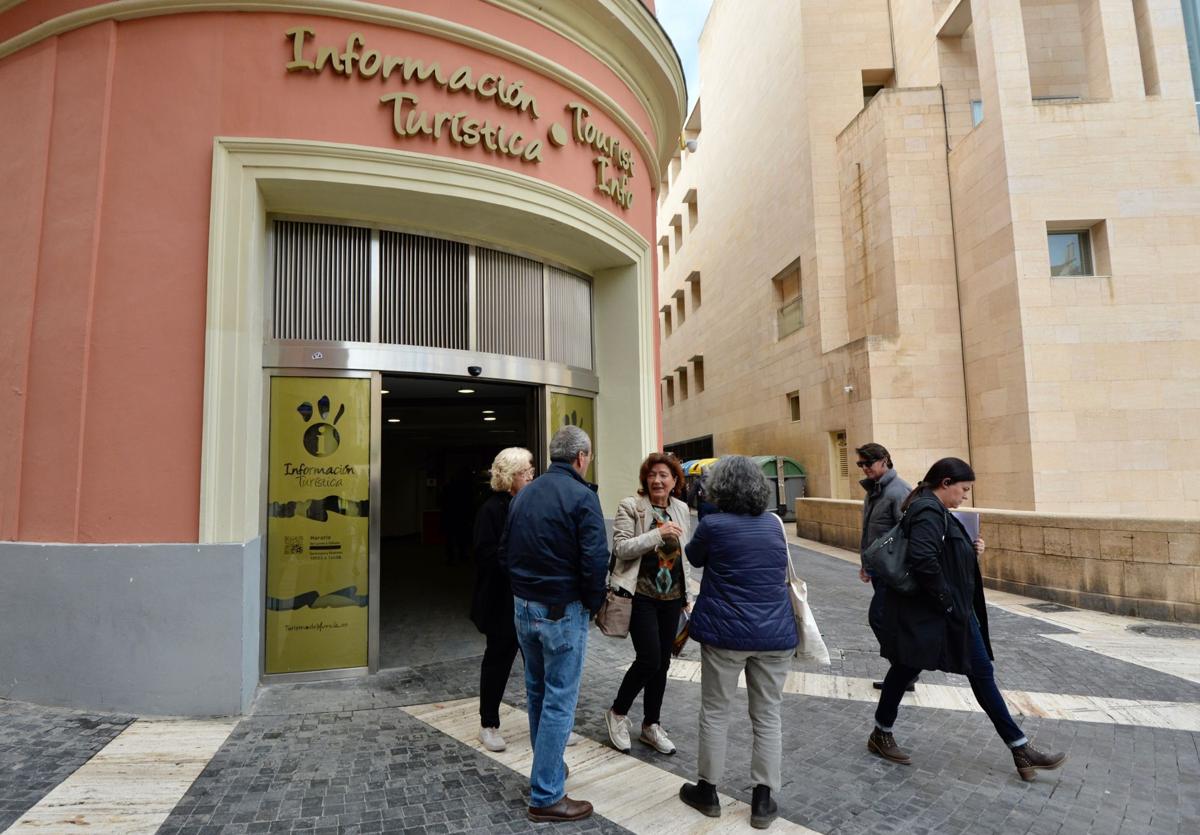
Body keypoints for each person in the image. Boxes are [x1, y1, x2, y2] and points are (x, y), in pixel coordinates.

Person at [868, 457, 1067, 782]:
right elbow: (923, 560)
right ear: (945, 483)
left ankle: (1019, 749)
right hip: (943, 610)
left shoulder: (930, 507)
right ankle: (1019, 747)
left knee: (913, 667)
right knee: (922, 667)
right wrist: (948, 603)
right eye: (963, 489)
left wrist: (969, 549)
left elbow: (938, 554)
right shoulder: (928, 510)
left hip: (939, 610)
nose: (964, 497)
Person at [677, 455, 798, 831]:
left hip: (725, 635)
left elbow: (694, 558)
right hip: (774, 635)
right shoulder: (775, 524)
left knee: (715, 711)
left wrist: (706, 512)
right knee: (767, 715)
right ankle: (763, 800)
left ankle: (708, 791)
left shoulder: (713, 524)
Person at [501, 425, 608, 823]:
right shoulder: (583, 496)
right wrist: (592, 605)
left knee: (537, 694)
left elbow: (504, 551)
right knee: (559, 700)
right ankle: (546, 794)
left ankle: (548, 767)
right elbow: (595, 561)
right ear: (581, 457)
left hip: (524, 608)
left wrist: (522, 590)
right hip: (562, 611)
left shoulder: (524, 493)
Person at [604, 453, 694, 756]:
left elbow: (685, 561)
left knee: (664, 663)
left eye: (664, 475)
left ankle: (651, 725)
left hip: (671, 599)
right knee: (649, 659)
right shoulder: (632, 506)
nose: (657, 480)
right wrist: (657, 533)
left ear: (674, 481)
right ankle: (617, 713)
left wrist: (688, 599)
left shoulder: (681, 509)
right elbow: (621, 548)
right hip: (640, 596)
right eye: (652, 474)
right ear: (646, 478)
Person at [471, 447, 534, 753]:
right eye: (526, 472)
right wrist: (519, 565)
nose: (531, 476)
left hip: (528, 598)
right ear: (511, 477)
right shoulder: (492, 509)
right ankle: (488, 724)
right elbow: (485, 555)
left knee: (538, 666)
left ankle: (547, 725)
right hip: (500, 601)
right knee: (498, 661)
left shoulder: (529, 504)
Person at [854, 442, 912, 691]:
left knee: (879, 618)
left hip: (893, 571)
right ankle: (904, 672)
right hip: (879, 569)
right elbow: (870, 532)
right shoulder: (874, 491)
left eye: (869, 463)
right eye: (861, 464)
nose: (864, 468)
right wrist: (866, 564)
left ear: (885, 460)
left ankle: (904, 671)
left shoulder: (899, 491)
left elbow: (909, 532)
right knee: (887, 620)